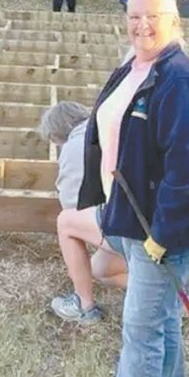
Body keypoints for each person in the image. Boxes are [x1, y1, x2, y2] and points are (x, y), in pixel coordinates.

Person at [78, 0, 189, 377]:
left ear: (174, 21)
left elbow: (187, 170)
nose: (142, 25)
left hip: (161, 229)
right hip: (130, 215)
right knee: (161, 323)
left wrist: (162, 233)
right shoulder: (136, 66)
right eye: (133, 16)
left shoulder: (179, 81)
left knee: (141, 333)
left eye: (152, 17)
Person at [40, 101, 128, 325]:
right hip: (163, 229)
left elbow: (72, 203)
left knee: (66, 222)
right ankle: (170, 297)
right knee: (101, 269)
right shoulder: (112, 126)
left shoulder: (77, 143)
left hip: (132, 226)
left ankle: (83, 305)